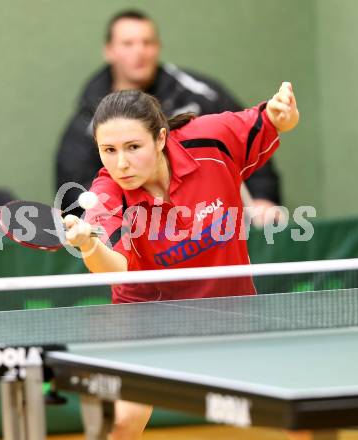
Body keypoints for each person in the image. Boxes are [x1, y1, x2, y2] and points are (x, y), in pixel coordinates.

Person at [62, 83, 299, 440]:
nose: (121, 163)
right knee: (123, 422)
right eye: (108, 150)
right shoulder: (106, 195)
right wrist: (88, 246)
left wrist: (284, 116)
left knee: (297, 407)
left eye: (133, 147)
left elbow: (269, 120)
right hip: (146, 321)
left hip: (230, 310)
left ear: (160, 138)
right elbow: (117, 268)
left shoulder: (211, 139)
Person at [56, 10, 281, 222]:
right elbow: (75, 189)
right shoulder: (89, 118)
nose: (139, 51)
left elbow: (248, 139)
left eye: (147, 43)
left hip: (217, 220)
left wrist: (263, 197)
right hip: (139, 232)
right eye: (128, 44)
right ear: (110, 51)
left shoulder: (200, 94)